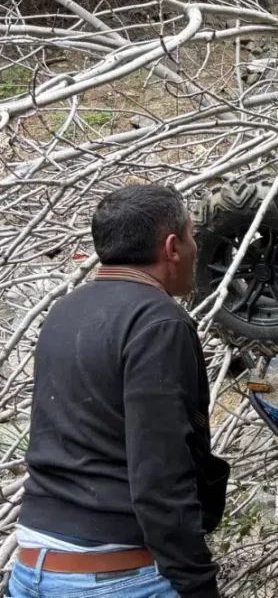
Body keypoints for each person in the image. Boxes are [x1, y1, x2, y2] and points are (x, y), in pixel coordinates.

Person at [11, 184, 230, 598]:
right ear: (172, 246)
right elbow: (161, 473)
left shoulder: (64, 312)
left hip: (32, 565)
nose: (196, 247)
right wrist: (197, 583)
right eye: (191, 235)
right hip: (113, 577)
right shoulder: (159, 322)